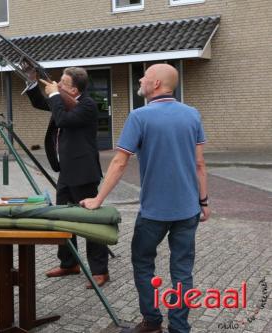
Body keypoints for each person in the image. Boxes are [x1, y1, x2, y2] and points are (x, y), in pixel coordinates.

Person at [80, 63, 210, 333]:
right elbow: (200, 164)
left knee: (143, 263)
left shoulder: (139, 117)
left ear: (157, 85)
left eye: (146, 76)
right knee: (182, 271)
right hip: (188, 210)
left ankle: (151, 322)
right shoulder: (192, 115)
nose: (140, 79)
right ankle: (179, 327)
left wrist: (97, 200)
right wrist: (204, 201)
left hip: (154, 212)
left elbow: (119, 163)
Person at [25, 67, 110, 288]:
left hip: (83, 174)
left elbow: (63, 119)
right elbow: (41, 104)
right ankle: (69, 263)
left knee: (90, 224)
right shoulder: (62, 101)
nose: (58, 84)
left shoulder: (88, 105)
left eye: (63, 82)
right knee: (62, 221)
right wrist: (33, 82)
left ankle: (100, 271)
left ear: (74, 89)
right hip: (66, 172)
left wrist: (54, 94)